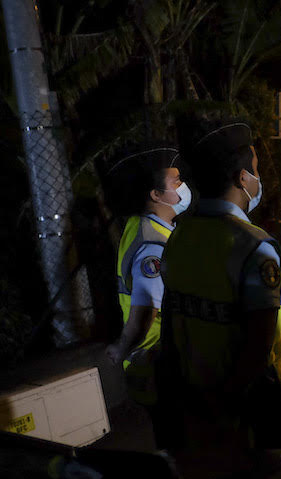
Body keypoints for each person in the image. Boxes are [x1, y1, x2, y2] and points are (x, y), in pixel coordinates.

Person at [160, 120, 281, 466]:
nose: (258, 177)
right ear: (243, 178)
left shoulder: (179, 236)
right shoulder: (255, 246)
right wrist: (226, 403)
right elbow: (259, 343)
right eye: (255, 169)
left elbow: (171, 322)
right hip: (246, 406)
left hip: (193, 395)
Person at [103, 144, 190, 445]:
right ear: (155, 195)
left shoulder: (141, 226)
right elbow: (145, 311)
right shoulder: (154, 246)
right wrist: (121, 348)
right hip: (159, 361)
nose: (183, 186)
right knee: (179, 441)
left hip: (159, 361)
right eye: (176, 181)